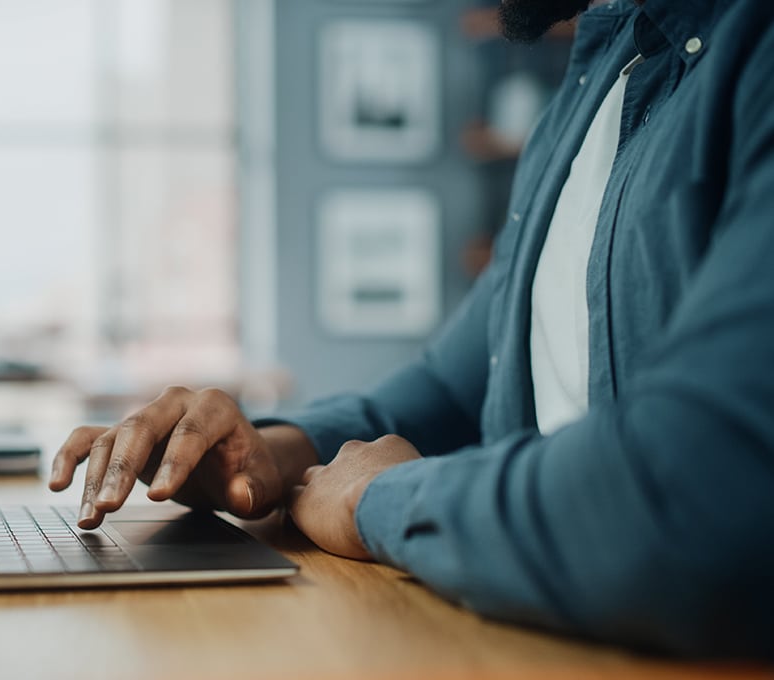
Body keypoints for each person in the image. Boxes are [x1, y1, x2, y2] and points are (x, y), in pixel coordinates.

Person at [50, 0, 774, 659]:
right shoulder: (589, 90)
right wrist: (258, 458)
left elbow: (698, 491)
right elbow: (456, 386)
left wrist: (379, 501)